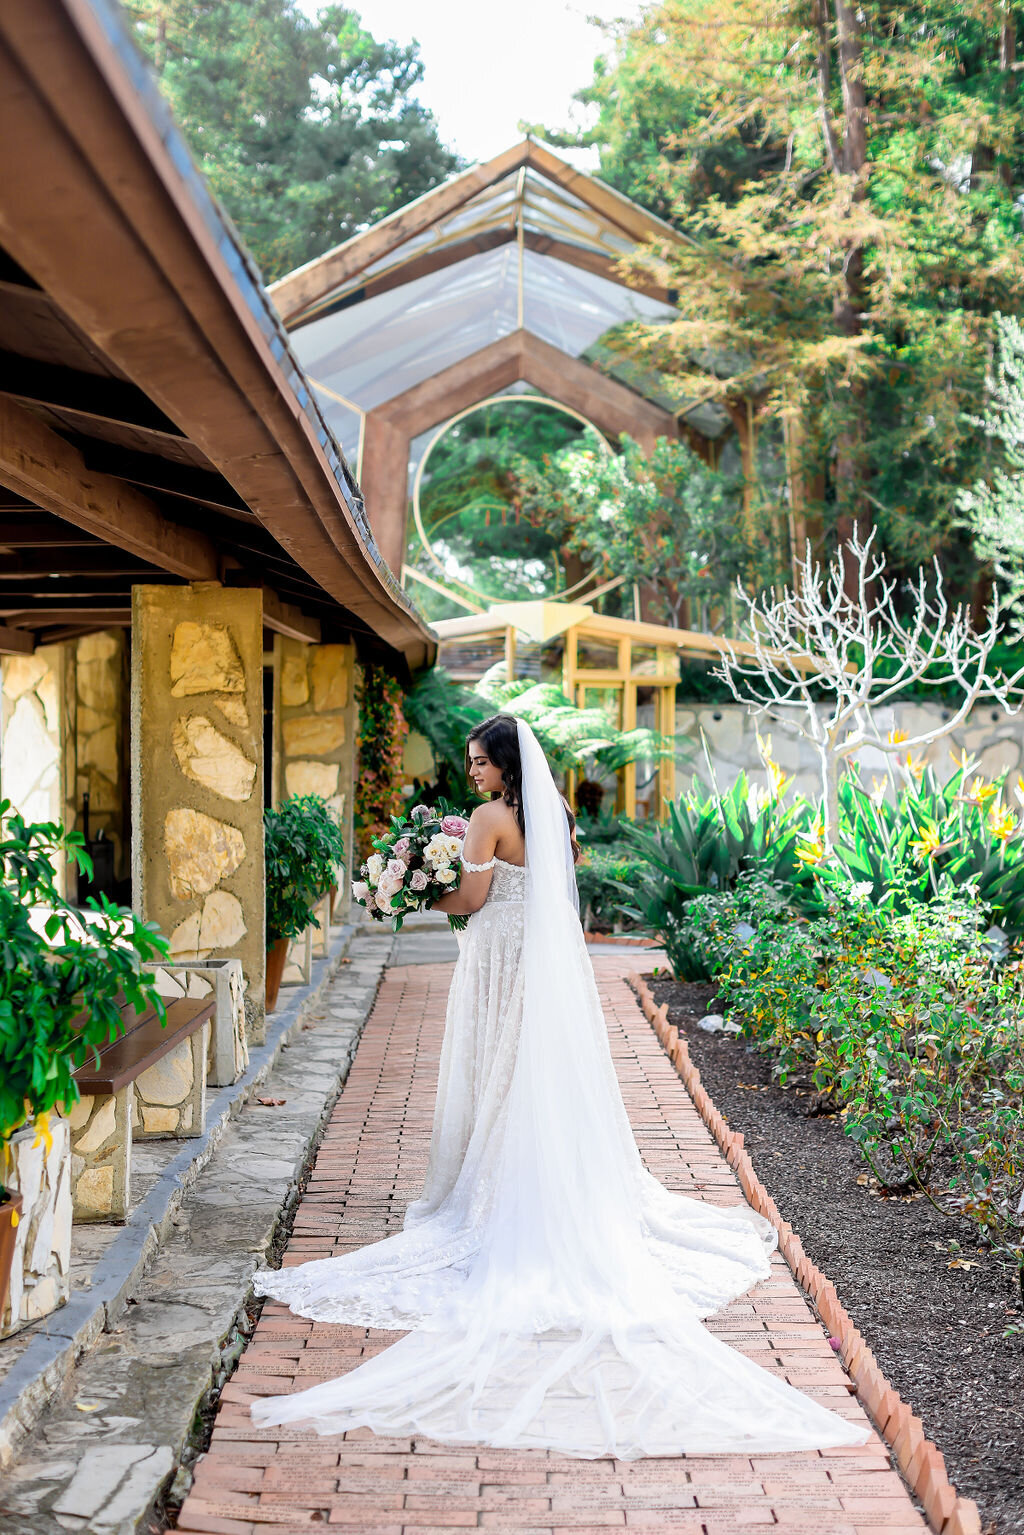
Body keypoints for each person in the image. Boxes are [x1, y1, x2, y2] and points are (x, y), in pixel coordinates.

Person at [251, 715, 867, 1457]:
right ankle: (538, 1170)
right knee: (529, 1069)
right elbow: (555, 879)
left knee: (496, 1068)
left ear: (504, 766)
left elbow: (473, 902)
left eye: (480, 762)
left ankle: (492, 1184)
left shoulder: (485, 819)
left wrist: (404, 892)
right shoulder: (556, 813)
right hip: (540, 962)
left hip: (498, 959)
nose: (472, 772)